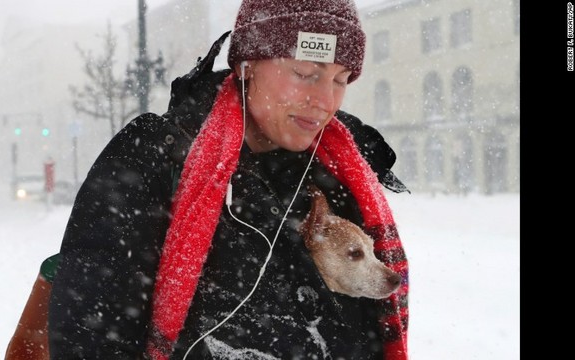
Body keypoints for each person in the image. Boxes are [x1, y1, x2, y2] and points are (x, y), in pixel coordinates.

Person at [48, 0, 410, 359]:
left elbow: (365, 335)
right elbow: (91, 339)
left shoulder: (343, 173)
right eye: (305, 74)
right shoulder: (153, 161)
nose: (324, 100)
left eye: (341, 80)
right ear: (246, 66)